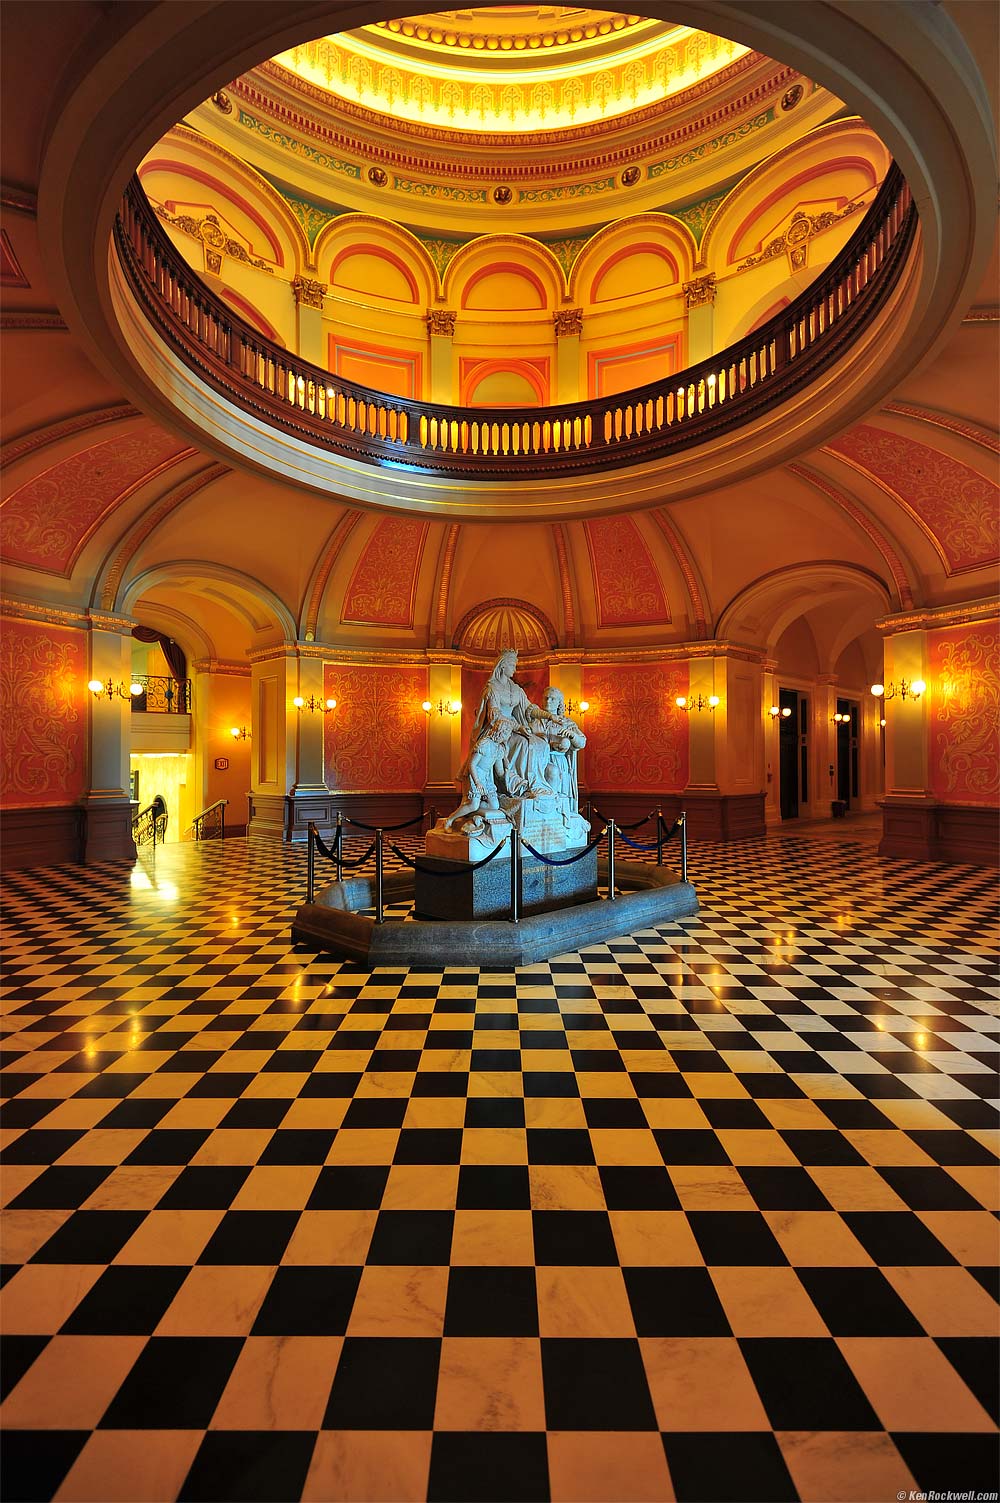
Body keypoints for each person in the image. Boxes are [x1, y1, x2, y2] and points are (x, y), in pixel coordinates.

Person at [444, 648, 539, 829]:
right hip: (496, 728)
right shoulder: (492, 688)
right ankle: (460, 816)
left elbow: (529, 708)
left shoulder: (516, 689)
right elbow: (494, 715)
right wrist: (516, 727)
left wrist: (548, 717)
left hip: (507, 731)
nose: (515, 670)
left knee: (532, 742)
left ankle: (523, 788)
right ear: (502, 666)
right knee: (522, 743)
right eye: (512, 665)